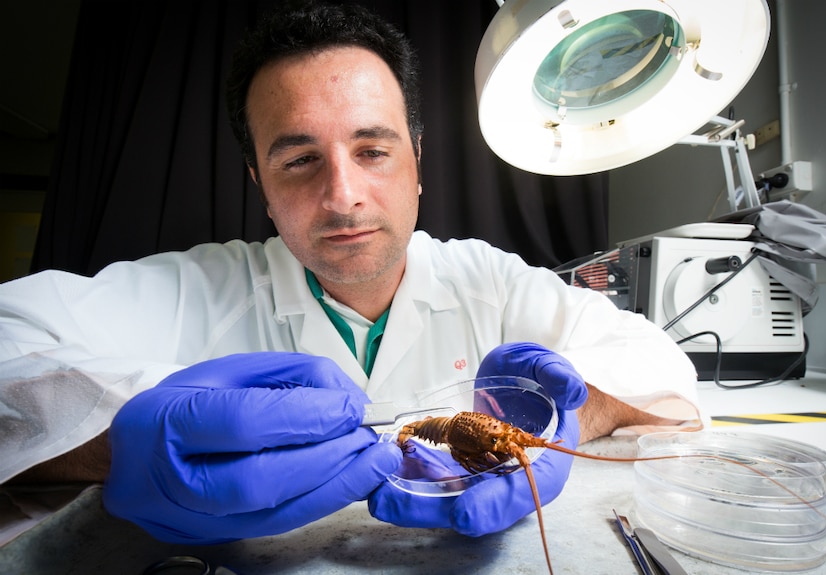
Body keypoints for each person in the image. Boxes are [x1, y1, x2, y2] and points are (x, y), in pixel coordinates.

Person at [0, 0, 701, 545]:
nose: (343, 196)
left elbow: (662, 364)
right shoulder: (195, 288)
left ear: (418, 161)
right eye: (299, 160)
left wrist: (572, 411)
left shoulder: (486, 277)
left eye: (373, 149)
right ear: (260, 184)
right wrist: (118, 439)